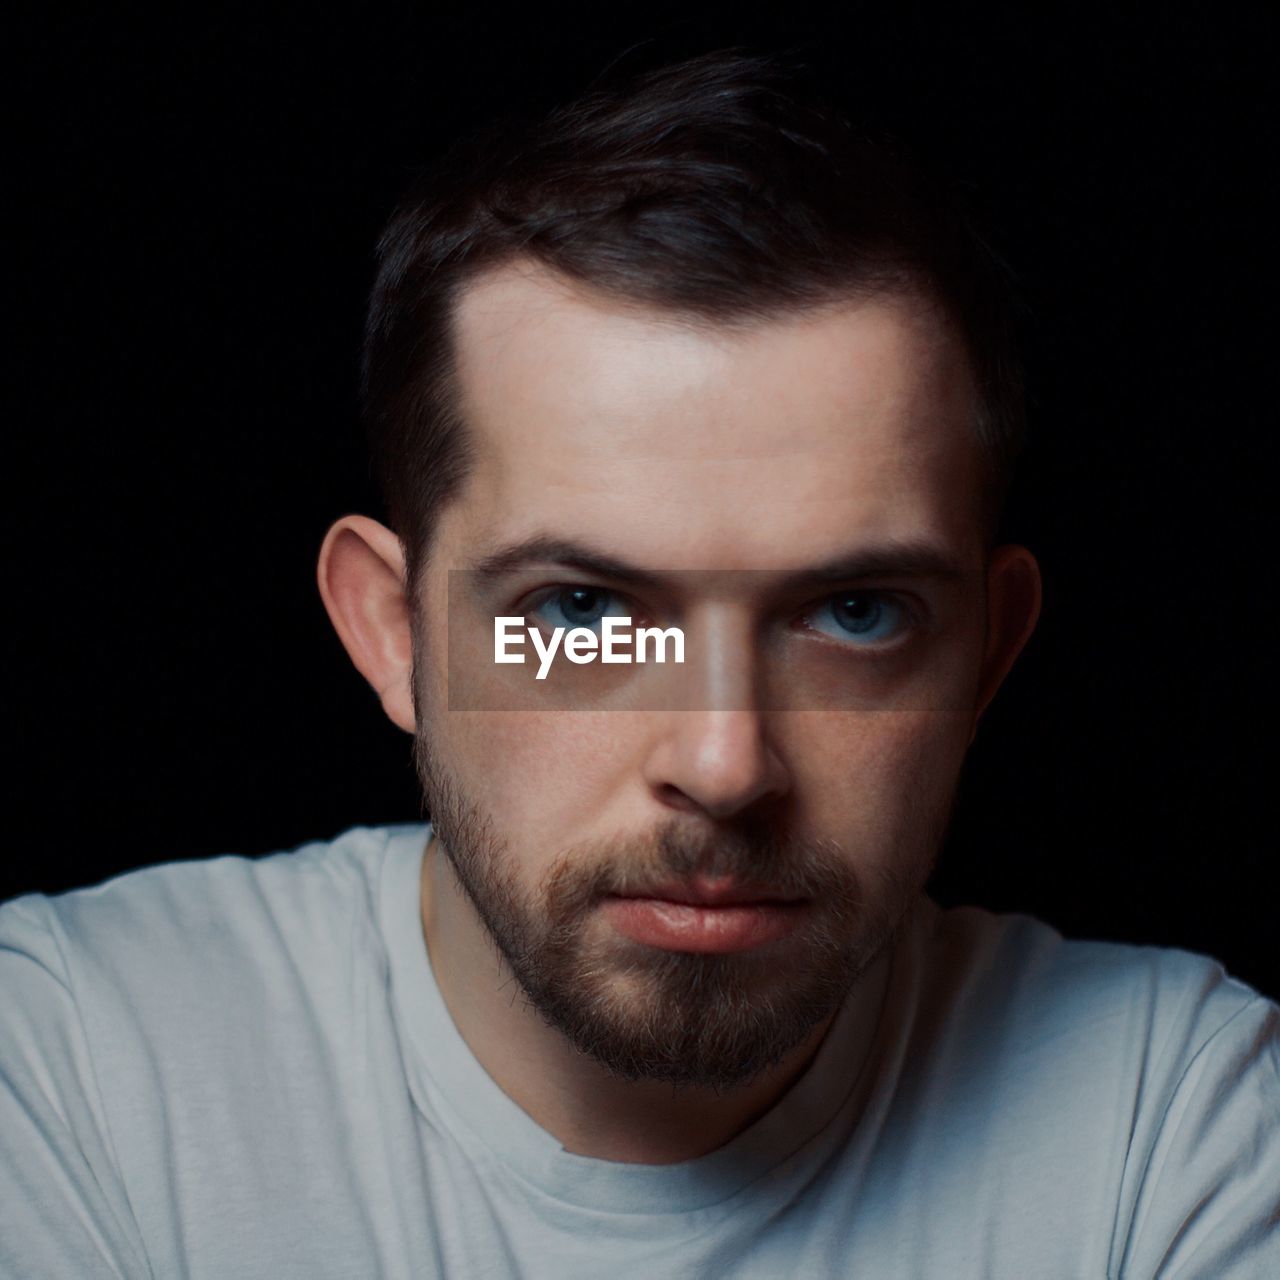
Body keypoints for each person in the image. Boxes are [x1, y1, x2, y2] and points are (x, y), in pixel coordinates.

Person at [1, 50, 1276, 1279]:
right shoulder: (74, 1061)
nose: (723, 765)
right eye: (578, 608)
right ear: (393, 630)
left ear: (989, 652)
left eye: (853, 613)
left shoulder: (1170, 1122)